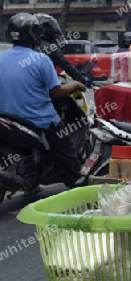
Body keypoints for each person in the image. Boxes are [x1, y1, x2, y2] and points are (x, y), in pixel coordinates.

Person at [0, 13, 86, 193]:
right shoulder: (40, 59)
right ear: (32, 34)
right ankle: (78, 183)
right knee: (65, 146)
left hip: (6, 118)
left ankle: (31, 184)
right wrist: (76, 84)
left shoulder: (1, 57)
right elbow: (57, 91)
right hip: (38, 119)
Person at [33, 13, 89, 85]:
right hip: (43, 89)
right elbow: (66, 65)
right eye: (50, 28)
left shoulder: (26, 46)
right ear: (41, 30)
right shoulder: (51, 48)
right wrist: (81, 78)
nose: (52, 31)